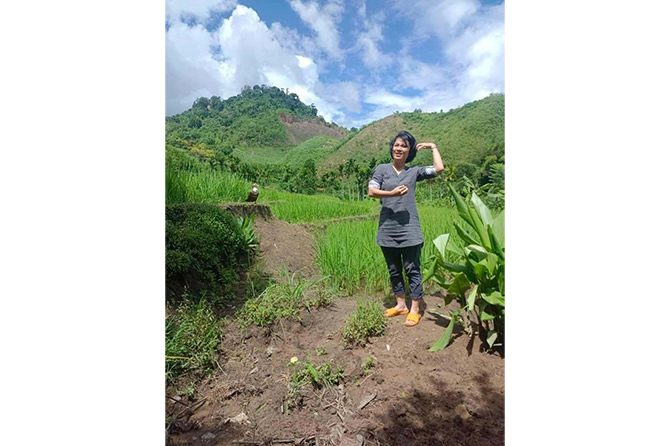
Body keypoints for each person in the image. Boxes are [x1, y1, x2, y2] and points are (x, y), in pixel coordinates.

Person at [367, 131, 444, 327]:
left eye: (404, 146)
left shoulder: (414, 172)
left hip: (410, 229)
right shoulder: (382, 169)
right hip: (387, 229)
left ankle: (415, 309)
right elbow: (372, 191)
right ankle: (401, 305)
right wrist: (391, 193)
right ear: (392, 147)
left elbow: (439, 168)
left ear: (409, 151)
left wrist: (433, 146)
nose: (398, 148)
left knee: (412, 270)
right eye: (396, 144)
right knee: (394, 270)